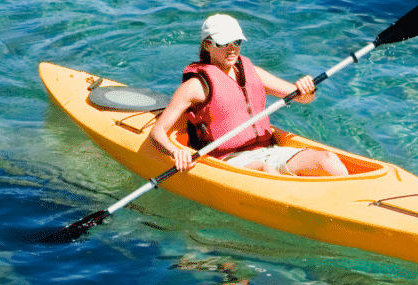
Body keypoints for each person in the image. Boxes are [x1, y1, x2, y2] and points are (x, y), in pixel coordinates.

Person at [149, 14, 348, 176]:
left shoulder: (252, 72)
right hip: (229, 160)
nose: (232, 48)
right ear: (207, 45)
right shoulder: (196, 86)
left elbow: (303, 98)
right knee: (265, 170)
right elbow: (157, 132)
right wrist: (177, 153)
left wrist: (307, 89)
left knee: (328, 160)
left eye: (236, 42)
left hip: (268, 151)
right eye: (223, 43)